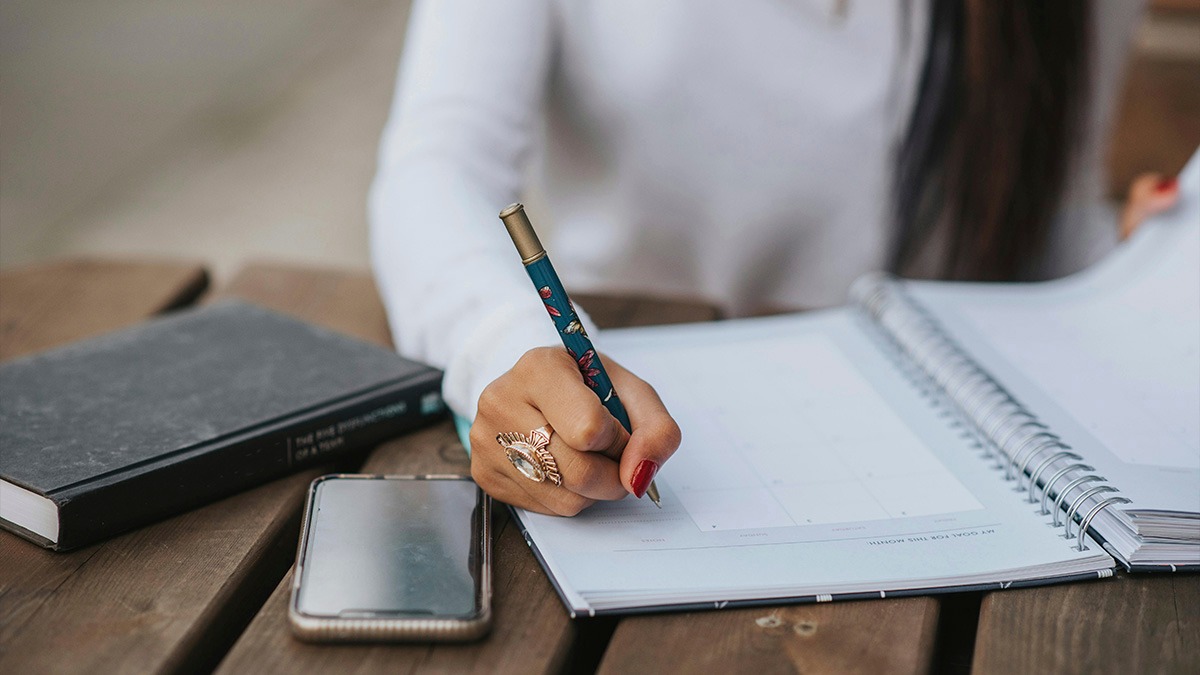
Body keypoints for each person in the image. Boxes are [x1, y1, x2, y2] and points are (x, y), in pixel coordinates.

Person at [368, 1, 1180, 516]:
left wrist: (1135, 263)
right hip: (628, 399)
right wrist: (505, 345)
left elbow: (1043, 220)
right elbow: (437, 162)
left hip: (954, 467)